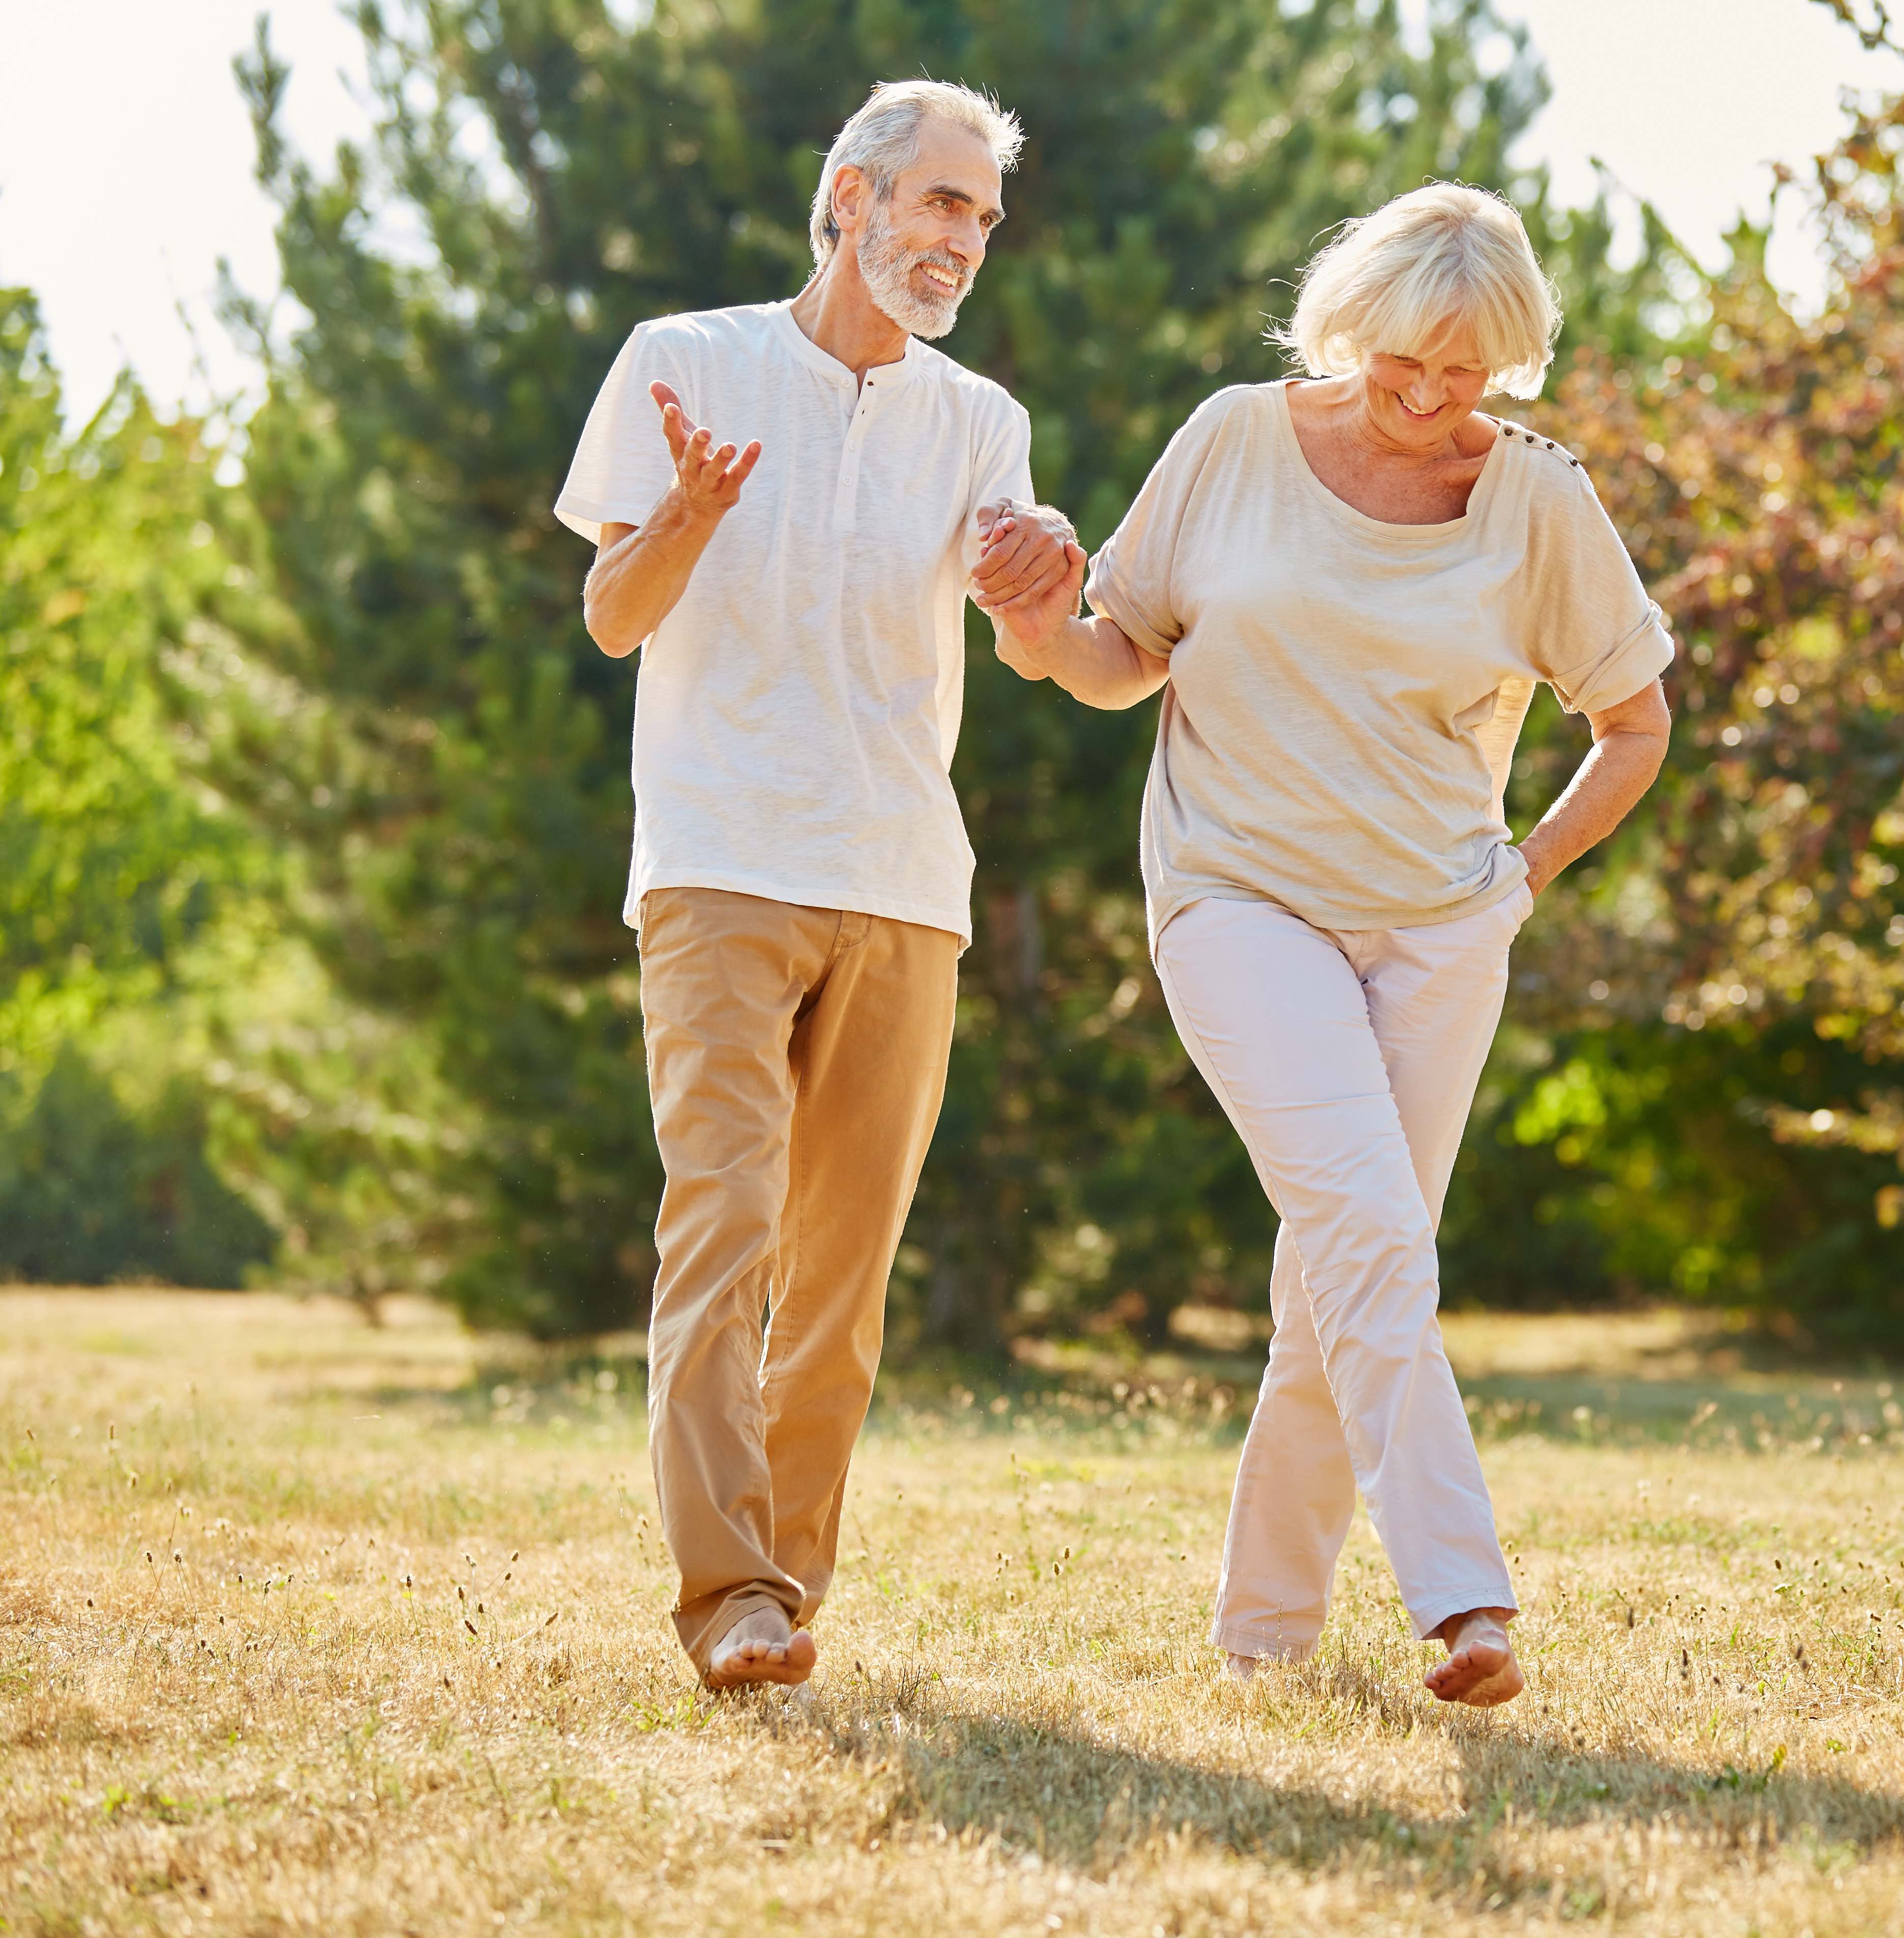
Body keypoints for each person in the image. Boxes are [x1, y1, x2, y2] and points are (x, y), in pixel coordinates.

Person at [973, 182, 1673, 1706]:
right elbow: (1117, 660)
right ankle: (1464, 1600)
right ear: (1348, 326)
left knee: (1339, 1273)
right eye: (1402, 363)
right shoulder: (1234, 439)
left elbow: (1633, 727)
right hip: (1239, 897)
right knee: (1369, 1230)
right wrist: (1030, 624)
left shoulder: (1540, 498)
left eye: (1465, 374)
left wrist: (1524, 879)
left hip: (1441, 926)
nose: (1428, 400)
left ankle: (1265, 1635)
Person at [553, 79, 1075, 1690]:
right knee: (724, 1225)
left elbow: (1027, 636)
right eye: (935, 202)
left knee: (842, 1269)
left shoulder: (980, 417)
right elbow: (614, 618)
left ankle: (785, 1587)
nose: (960, 242)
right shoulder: (685, 362)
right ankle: (726, 1599)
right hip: (721, 861)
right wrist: (696, 511)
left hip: (907, 878)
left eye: (980, 218)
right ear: (846, 196)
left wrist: (1043, 578)